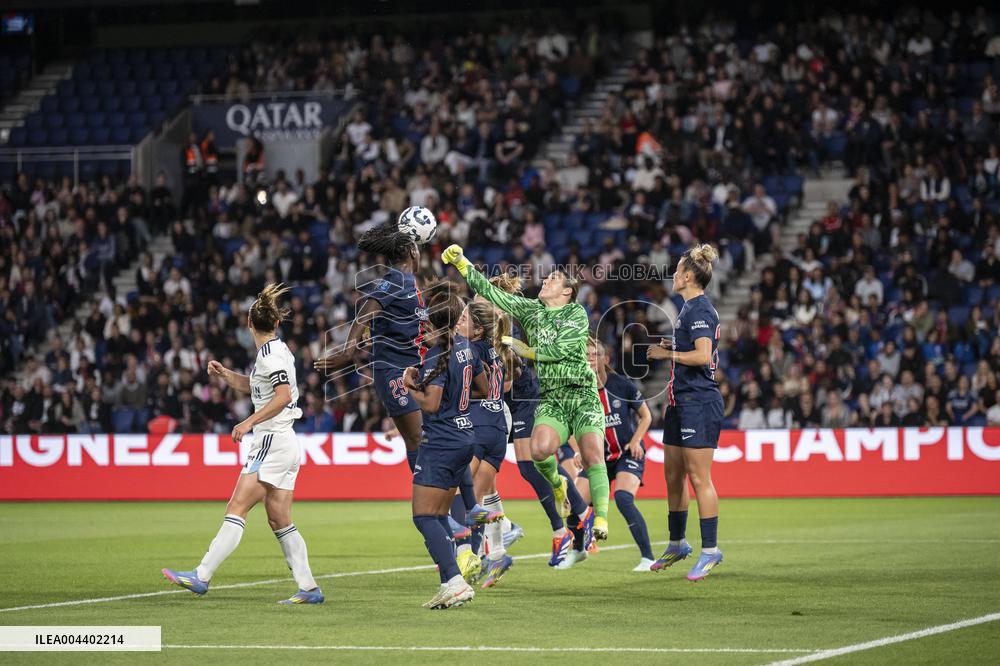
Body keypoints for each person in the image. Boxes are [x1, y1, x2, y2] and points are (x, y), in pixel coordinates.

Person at [161, 284, 323, 604]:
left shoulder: (269, 356)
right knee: (279, 518)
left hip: (270, 441)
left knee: (237, 507)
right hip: (286, 441)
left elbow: (282, 397)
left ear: (249, 324)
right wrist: (225, 375)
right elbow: (258, 388)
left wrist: (248, 422)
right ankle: (309, 588)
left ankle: (202, 574)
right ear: (275, 324)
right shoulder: (276, 352)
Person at [442, 244, 612, 544]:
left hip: (554, 396)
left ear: (567, 292)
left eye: (553, 280)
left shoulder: (571, 315)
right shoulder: (530, 311)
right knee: (532, 458)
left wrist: (523, 350)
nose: (545, 281)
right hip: (544, 397)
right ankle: (528, 512)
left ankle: (589, 519)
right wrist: (462, 262)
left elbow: (553, 354)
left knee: (567, 459)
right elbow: (488, 290)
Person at [402, 286, 488, 609]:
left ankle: (453, 580)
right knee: (438, 514)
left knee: (424, 516)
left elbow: (433, 404)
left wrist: (410, 386)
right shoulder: (467, 347)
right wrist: (459, 403)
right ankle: (451, 580)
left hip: (441, 441)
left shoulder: (440, 351)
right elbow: (484, 388)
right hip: (466, 436)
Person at [314, 224, 425, 474]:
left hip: (411, 371)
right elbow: (365, 312)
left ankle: (438, 507)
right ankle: (430, 509)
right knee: (419, 440)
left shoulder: (409, 282)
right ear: (410, 251)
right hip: (394, 372)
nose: (420, 253)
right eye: (417, 248)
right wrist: (348, 351)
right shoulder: (395, 280)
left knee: (422, 440)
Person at [493, 274, 584, 567]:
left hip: (523, 398)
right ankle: (573, 520)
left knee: (532, 466)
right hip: (507, 401)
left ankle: (573, 520)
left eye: (484, 298)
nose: (478, 303)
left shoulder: (508, 324)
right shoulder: (489, 324)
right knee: (530, 468)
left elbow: (511, 376)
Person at [648, 244, 725, 581]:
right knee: (673, 476)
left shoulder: (699, 311)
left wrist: (669, 356)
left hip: (699, 403)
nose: (674, 275)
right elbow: (692, 349)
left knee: (699, 478)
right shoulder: (688, 309)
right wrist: (673, 346)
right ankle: (678, 543)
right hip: (681, 404)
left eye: (678, 270)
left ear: (689, 277)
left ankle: (710, 551)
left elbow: (704, 357)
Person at [456, 299, 515, 587]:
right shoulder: (496, 351)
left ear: (478, 329)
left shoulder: (468, 350)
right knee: (477, 502)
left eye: (464, 318)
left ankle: (467, 559)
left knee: (460, 499)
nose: (458, 321)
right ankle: (497, 552)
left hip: (477, 426)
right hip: (498, 429)